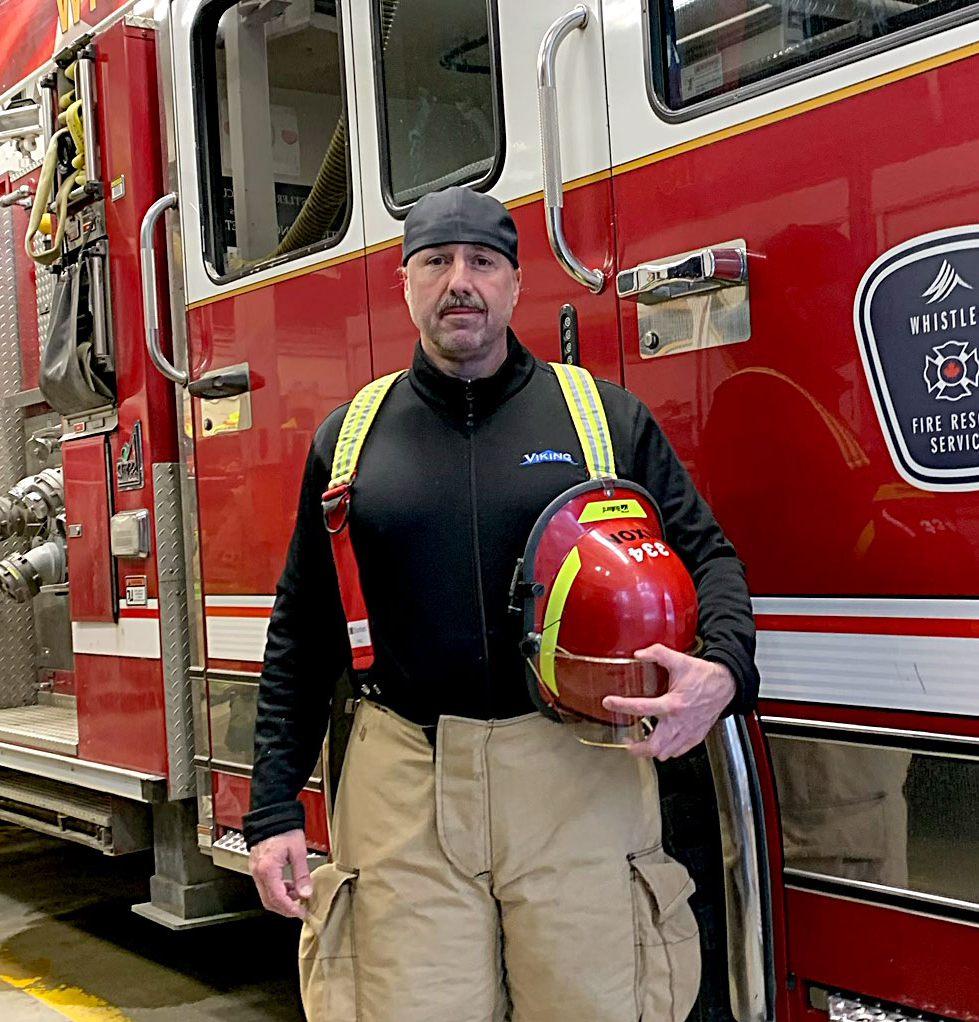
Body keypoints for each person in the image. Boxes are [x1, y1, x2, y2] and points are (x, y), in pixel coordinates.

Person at [244, 185, 758, 1022]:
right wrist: (272, 810)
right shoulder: (348, 439)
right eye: (436, 262)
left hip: (577, 778)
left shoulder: (603, 419)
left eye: (482, 262)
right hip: (403, 785)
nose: (460, 282)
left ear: (516, 286)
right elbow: (302, 633)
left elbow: (712, 559)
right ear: (403, 282)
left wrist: (723, 675)